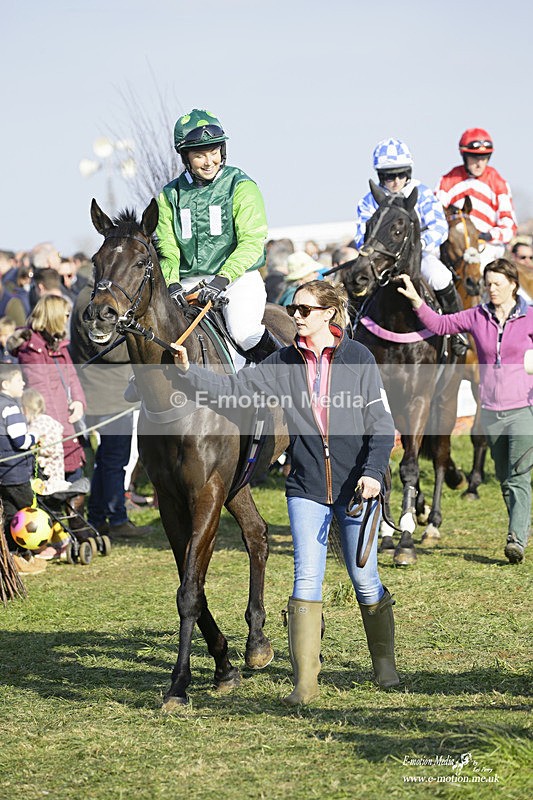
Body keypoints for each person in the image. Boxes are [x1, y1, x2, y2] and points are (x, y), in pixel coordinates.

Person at [170, 280, 398, 704]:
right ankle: (305, 684)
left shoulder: (359, 357)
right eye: (294, 308)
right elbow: (234, 390)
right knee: (305, 582)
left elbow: (381, 426)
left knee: (365, 582)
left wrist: (372, 473)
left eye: (305, 309)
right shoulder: (283, 362)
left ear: (329, 313)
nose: (295, 315)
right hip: (306, 488)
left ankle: (385, 667)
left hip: (357, 487)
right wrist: (189, 373)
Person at [397, 259, 533, 564]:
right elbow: (441, 325)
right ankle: (520, 524)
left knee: (518, 475)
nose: (492, 289)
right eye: (488, 284)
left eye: (498, 283)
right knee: (503, 476)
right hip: (490, 410)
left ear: (513, 284)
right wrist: (417, 300)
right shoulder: (477, 316)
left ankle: (516, 537)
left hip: (525, 409)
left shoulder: (530, 318)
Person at [156, 108, 278, 361]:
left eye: (214, 153)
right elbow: (167, 247)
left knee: (244, 332)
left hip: (237, 281)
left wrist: (222, 279)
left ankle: (290, 378)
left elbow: (251, 241)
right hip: (187, 283)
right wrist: (172, 283)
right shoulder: (169, 195)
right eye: (200, 155)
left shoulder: (241, 185)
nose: (209, 161)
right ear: (185, 158)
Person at [354, 138, 468, 356]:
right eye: (389, 176)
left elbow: (439, 226)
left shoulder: (422, 193)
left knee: (441, 277)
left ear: (409, 172)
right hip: (382, 260)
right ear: (380, 176)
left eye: (401, 174)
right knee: (356, 280)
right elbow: (361, 235)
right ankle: (351, 327)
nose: (396, 181)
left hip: (419, 256)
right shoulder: (369, 200)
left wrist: (419, 246)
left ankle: (457, 333)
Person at [69, 281, 153, 539]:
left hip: (104, 393)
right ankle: (117, 519)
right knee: (115, 460)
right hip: (107, 395)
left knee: (106, 460)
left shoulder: (90, 295)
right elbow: (106, 350)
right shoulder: (90, 300)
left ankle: (97, 517)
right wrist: (138, 337)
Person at [8, 295, 86, 487]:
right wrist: (61, 432)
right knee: (59, 486)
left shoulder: (58, 343)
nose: (68, 320)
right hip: (54, 428)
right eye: (65, 315)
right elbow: (42, 395)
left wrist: (78, 401)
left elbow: (72, 376)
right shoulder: (32, 351)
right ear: (54, 317)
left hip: (67, 421)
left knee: (76, 481)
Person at [436, 128, 517, 269]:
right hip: (455, 246)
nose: (479, 163)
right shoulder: (448, 180)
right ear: (464, 156)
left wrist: (489, 235)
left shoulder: (498, 182)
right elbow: (435, 214)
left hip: (487, 246)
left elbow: (509, 225)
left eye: (484, 158)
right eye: (474, 158)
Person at [0, 363, 45, 575]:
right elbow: (20, 440)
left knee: (10, 514)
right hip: (15, 471)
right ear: (6, 384)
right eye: (19, 381)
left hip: (3, 474)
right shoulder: (10, 407)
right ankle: (25, 555)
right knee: (25, 513)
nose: (24, 383)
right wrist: (34, 437)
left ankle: (13, 555)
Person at [509, 236, 533, 305]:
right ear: (513, 257)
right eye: (523, 257)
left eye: (531, 258)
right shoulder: (509, 276)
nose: (527, 261)